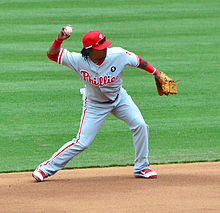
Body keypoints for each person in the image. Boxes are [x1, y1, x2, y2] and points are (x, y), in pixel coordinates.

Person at [33, 25, 163, 182]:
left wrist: (156, 73)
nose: (105, 49)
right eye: (100, 47)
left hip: (120, 98)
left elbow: (139, 61)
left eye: (105, 45)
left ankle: (142, 167)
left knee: (140, 125)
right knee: (82, 142)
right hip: (95, 104)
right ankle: (45, 169)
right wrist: (59, 40)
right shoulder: (77, 60)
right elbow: (52, 55)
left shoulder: (118, 54)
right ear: (89, 50)